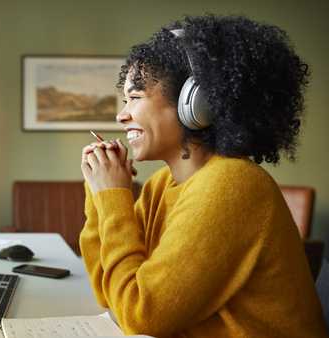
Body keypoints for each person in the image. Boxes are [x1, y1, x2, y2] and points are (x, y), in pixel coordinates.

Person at [79, 15, 327, 337]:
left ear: (196, 104)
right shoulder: (161, 185)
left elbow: (140, 312)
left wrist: (112, 197)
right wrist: (100, 195)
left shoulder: (233, 185)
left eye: (135, 98)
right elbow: (110, 292)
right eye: (126, 100)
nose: (121, 115)